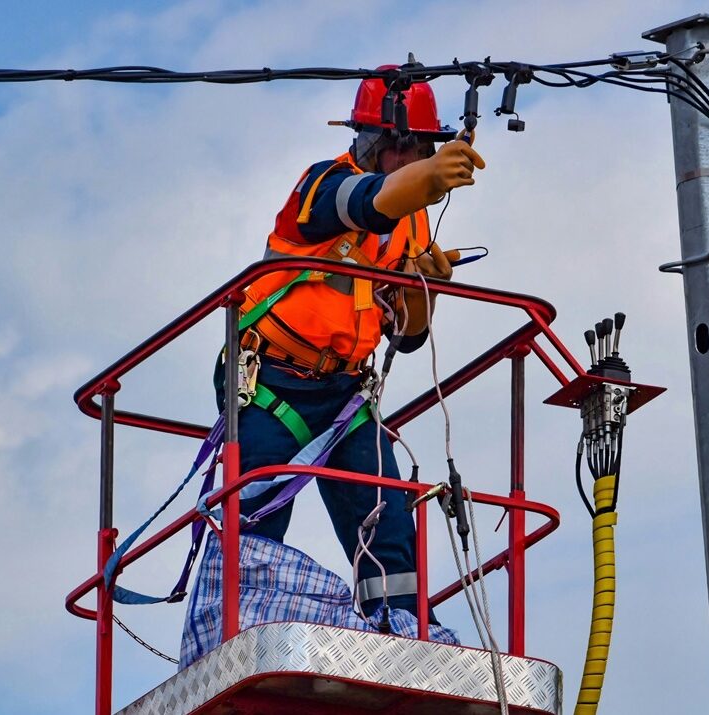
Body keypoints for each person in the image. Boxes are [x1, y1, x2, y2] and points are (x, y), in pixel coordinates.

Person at [180, 67, 485, 665]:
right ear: (368, 140)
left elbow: (407, 338)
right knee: (255, 513)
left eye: (417, 148)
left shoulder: (414, 222)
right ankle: (232, 637)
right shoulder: (319, 187)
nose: (405, 156)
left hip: (346, 396)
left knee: (389, 527)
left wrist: (421, 288)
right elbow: (365, 205)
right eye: (397, 145)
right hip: (274, 382)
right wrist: (425, 176)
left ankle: (405, 640)